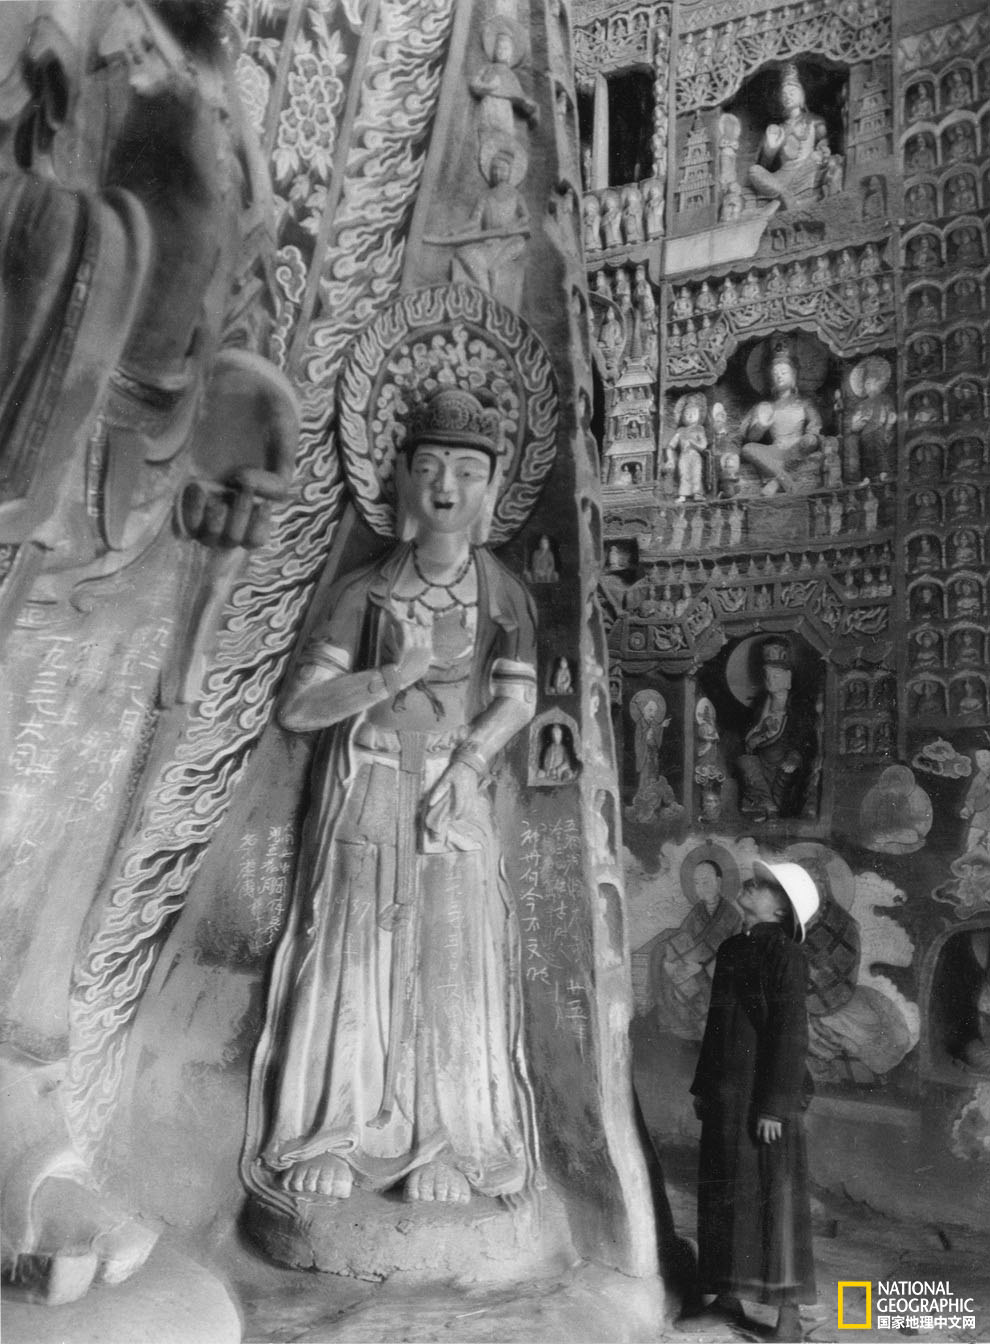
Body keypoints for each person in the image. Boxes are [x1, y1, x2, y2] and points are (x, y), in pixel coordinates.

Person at [250, 387, 540, 1207]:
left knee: (450, 962)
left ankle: (446, 1141)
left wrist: (470, 765)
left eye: (468, 470)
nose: (448, 486)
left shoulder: (504, 594)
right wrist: (389, 677)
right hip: (371, 780)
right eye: (431, 466)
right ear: (403, 478)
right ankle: (340, 1130)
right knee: (355, 956)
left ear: (494, 486)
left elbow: (518, 698)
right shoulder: (365, 592)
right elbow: (300, 708)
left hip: (454, 790)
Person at [682, 859, 820, 1341]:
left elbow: (790, 1034)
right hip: (725, 1094)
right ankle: (726, 1300)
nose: (751, 885)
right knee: (723, 1195)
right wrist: (703, 1087)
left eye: (763, 886)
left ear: (781, 909)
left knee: (775, 1200)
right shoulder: (732, 948)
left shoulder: (788, 955)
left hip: (765, 1100)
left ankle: (789, 1319)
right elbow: (716, 1025)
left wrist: (774, 1107)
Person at [649, 856, 742, 1041]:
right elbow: (683, 940)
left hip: (717, 975)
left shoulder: (732, 916)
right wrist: (673, 960)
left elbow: (735, 953)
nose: (701, 887)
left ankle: (706, 1027)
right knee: (662, 957)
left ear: (718, 882)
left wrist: (702, 969)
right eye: (697, 883)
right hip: (692, 967)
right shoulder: (696, 912)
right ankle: (682, 1024)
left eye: (706, 882)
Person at [748, 64, 830, 211]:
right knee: (754, 171)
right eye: (784, 94)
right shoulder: (777, 129)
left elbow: (824, 143)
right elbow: (765, 164)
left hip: (806, 169)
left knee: (816, 158)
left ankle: (784, 196)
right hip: (782, 176)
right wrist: (770, 149)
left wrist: (824, 149)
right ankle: (786, 195)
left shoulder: (814, 121)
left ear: (802, 95)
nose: (787, 96)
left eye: (792, 92)